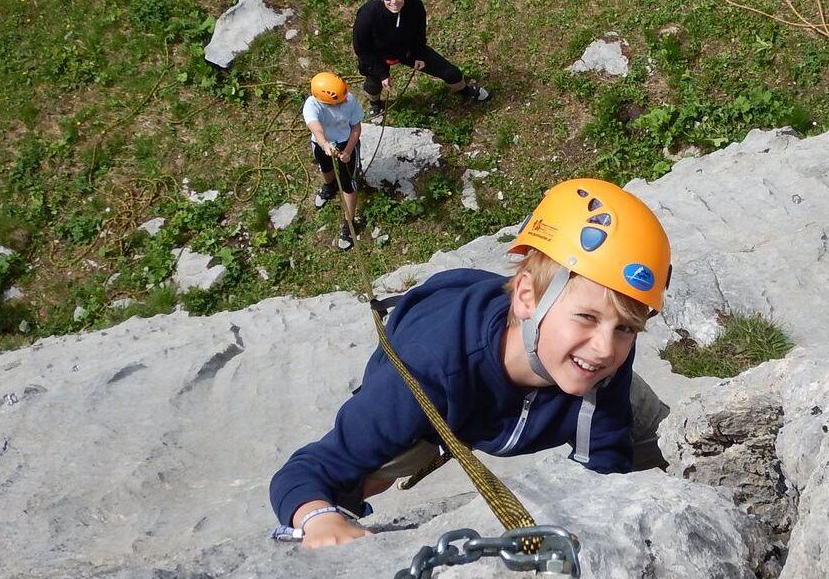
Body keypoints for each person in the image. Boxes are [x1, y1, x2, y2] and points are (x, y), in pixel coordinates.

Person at [270, 177, 672, 548]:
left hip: (517, 361)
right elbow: (305, 472)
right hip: (440, 367)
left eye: (626, 328)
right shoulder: (426, 370)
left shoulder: (600, 356)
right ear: (528, 298)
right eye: (586, 317)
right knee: (370, 470)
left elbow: (605, 461)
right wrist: (320, 519)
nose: (605, 347)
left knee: (639, 419)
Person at [352, 0, 490, 119]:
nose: (394, 2)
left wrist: (419, 54)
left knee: (452, 73)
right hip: (377, 55)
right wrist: (382, 73)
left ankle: (465, 91)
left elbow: (419, 30)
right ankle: (376, 104)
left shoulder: (414, 2)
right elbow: (362, 49)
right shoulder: (366, 16)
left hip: (408, 49)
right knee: (373, 85)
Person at [304, 72, 365, 250]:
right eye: (338, 101)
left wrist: (348, 150)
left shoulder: (349, 99)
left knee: (348, 183)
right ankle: (330, 186)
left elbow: (356, 128)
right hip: (323, 143)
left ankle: (349, 222)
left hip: (347, 142)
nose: (343, 102)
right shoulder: (312, 105)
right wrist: (324, 144)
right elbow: (315, 127)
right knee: (325, 166)